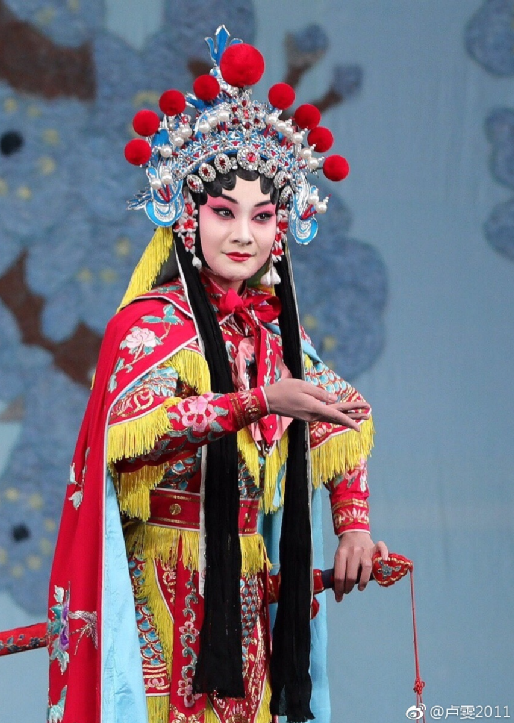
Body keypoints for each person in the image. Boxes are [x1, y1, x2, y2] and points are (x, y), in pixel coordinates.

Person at [47, 27, 388, 723]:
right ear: (187, 216)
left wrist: (353, 527)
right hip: (159, 576)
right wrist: (255, 401)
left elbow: (342, 415)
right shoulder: (150, 325)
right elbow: (131, 431)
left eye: (261, 217)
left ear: (280, 229)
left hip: (248, 581)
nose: (242, 235)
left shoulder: (276, 333)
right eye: (224, 213)